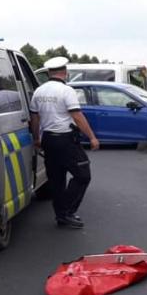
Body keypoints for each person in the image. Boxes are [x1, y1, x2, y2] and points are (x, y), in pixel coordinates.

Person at [29, 57, 100, 228]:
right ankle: (66, 211)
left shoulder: (39, 91)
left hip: (48, 140)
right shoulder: (66, 90)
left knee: (56, 179)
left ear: (48, 73)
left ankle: (61, 215)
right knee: (83, 175)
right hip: (65, 140)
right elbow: (76, 115)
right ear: (65, 72)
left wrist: (37, 138)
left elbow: (34, 117)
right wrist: (91, 137)